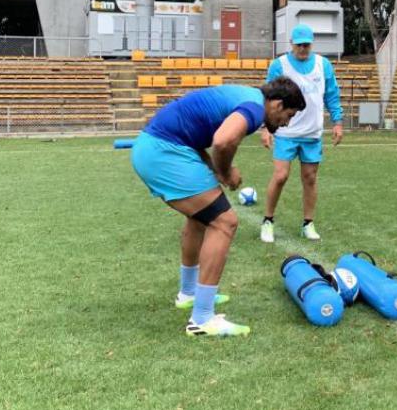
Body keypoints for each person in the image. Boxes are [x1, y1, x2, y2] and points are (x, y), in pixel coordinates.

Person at [131, 78, 305, 337]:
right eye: (288, 115)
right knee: (224, 222)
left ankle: (188, 293)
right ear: (277, 104)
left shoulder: (246, 97)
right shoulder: (254, 108)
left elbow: (195, 136)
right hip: (163, 152)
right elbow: (223, 141)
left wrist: (215, 171)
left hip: (159, 148)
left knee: (201, 218)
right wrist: (225, 171)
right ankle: (202, 319)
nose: (287, 123)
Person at [259, 24, 344, 243]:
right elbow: (267, 99)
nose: (303, 49)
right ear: (292, 44)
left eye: (307, 44)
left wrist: (337, 122)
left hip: (312, 134)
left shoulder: (323, 65)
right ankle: (268, 221)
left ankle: (308, 223)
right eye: (299, 45)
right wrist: (265, 128)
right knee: (280, 176)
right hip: (286, 132)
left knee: (310, 178)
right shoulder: (279, 65)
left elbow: (332, 95)